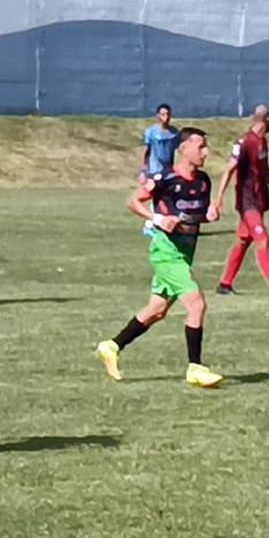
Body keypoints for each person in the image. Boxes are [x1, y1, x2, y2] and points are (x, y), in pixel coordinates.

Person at [96, 127, 224, 388]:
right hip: (166, 253)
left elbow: (193, 217)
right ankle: (195, 368)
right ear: (184, 149)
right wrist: (157, 218)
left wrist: (209, 215)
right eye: (200, 147)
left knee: (156, 310)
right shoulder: (164, 178)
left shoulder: (203, 182)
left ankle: (111, 346)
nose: (206, 152)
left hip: (185, 253)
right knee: (196, 304)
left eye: (206, 146)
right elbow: (133, 201)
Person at [211, 105, 269, 299]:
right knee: (263, 240)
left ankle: (224, 284)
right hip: (247, 202)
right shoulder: (244, 142)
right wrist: (218, 199)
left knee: (243, 241)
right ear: (267, 120)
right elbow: (229, 169)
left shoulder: (262, 143)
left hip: (258, 200)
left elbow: (266, 172)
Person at [141, 103, 180, 181]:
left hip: (169, 172)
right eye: (163, 114)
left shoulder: (174, 133)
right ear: (158, 116)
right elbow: (146, 152)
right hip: (155, 170)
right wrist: (143, 171)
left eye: (168, 114)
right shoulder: (151, 132)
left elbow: (178, 151)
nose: (166, 117)